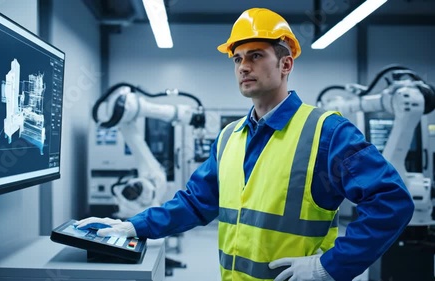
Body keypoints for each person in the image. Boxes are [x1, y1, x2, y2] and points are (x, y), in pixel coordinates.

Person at [76, 7, 414, 281]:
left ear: (286, 64)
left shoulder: (327, 132)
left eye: (255, 56)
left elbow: (392, 202)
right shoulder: (229, 137)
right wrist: (134, 225)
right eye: (237, 59)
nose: (243, 67)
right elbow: (196, 203)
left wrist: (330, 266)